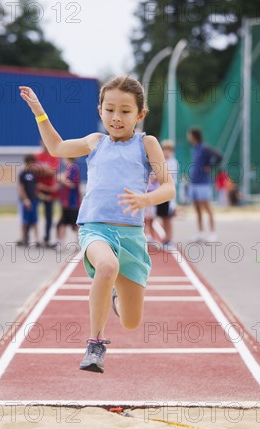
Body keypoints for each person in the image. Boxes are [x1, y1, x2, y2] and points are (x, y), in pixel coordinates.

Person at [19, 76, 175, 373]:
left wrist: (146, 199)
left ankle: (115, 298)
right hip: (94, 228)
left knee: (131, 321)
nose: (117, 117)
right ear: (100, 110)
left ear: (140, 115)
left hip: (130, 236)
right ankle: (95, 344)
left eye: (126, 111)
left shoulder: (147, 143)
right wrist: (39, 111)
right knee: (106, 266)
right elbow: (56, 147)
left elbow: (169, 188)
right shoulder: (95, 142)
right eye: (110, 109)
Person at [187, 127, 222, 243]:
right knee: (197, 209)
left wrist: (210, 166)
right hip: (194, 183)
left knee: (207, 208)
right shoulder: (194, 148)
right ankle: (200, 233)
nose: (188, 137)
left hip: (203, 183)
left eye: (189, 135)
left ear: (194, 135)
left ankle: (212, 233)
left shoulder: (204, 147)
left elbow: (219, 156)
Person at [35, 141, 60, 248]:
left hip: (49, 189)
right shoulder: (36, 155)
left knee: (49, 215)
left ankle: (47, 237)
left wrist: (41, 170)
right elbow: (32, 170)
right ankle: (34, 238)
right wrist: (45, 170)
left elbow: (52, 172)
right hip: (37, 189)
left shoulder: (54, 156)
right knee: (33, 214)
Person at [155, 140, 179, 248]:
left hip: (168, 194)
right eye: (164, 149)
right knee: (163, 217)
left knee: (168, 218)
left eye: (168, 150)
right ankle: (166, 238)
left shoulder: (173, 162)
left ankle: (169, 239)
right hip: (161, 193)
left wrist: (157, 177)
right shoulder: (162, 161)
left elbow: (165, 176)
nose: (166, 152)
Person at [56, 158, 81, 246]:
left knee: (75, 224)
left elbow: (72, 184)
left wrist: (62, 179)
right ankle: (61, 242)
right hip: (66, 201)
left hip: (72, 201)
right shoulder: (68, 169)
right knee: (62, 222)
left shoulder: (73, 168)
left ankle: (79, 243)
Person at [17, 154, 40, 247]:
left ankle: (37, 239)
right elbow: (21, 188)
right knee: (24, 220)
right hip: (26, 200)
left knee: (34, 220)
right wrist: (25, 199)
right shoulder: (22, 174)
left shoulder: (34, 174)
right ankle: (24, 238)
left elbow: (35, 186)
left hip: (34, 199)